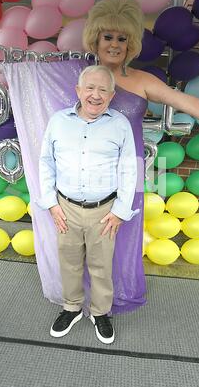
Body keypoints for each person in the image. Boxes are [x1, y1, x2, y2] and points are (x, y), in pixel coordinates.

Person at [0, 0, 199, 318]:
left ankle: (111, 296)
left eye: (121, 38)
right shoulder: (76, 72)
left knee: (118, 233)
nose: (114, 44)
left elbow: (183, 100)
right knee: (73, 235)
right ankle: (75, 296)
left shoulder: (142, 80)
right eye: (108, 36)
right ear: (96, 38)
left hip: (126, 169)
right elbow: (34, 77)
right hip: (82, 172)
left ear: (132, 43)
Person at [38, 65, 137, 344]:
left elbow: (130, 168)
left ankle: (100, 312)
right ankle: (71, 308)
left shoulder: (119, 124)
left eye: (103, 89)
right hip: (64, 207)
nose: (96, 95)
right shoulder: (58, 121)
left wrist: (120, 211)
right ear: (78, 91)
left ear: (112, 94)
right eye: (90, 88)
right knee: (68, 262)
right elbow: (45, 161)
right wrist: (51, 204)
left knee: (101, 264)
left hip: (105, 211)